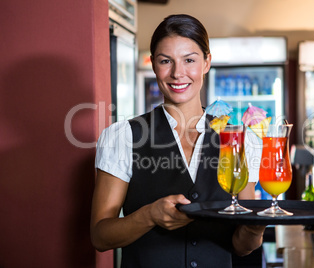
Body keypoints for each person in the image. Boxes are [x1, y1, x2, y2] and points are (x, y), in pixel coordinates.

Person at [90, 14, 265, 267]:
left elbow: (241, 245)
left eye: (189, 60)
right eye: (165, 61)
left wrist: (256, 228)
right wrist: (149, 215)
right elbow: (100, 236)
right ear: (153, 65)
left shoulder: (239, 140)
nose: (177, 73)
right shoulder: (124, 136)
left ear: (206, 63)